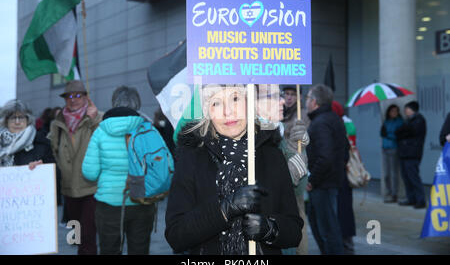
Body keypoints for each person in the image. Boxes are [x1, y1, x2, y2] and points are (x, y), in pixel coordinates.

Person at [165, 84, 303, 255]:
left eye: (235, 98)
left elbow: (295, 230)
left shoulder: (272, 155)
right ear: (207, 111)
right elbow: (176, 235)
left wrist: (270, 229)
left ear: (249, 102)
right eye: (216, 103)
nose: (228, 112)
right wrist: (224, 210)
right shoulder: (192, 158)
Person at [82, 107, 156, 254]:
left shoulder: (100, 132)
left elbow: (90, 173)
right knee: (140, 249)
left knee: (110, 249)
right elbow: (166, 166)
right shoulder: (147, 131)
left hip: (109, 203)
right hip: (142, 199)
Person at [49, 80, 103, 255]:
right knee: (76, 236)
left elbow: (105, 142)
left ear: (86, 97)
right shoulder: (57, 123)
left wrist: (94, 120)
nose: (73, 100)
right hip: (69, 190)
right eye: (69, 96)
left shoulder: (98, 117)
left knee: (87, 236)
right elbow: (53, 151)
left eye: (78, 95)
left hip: (91, 188)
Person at [305, 84, 349, 255]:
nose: (306, 101)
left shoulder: (320, 123)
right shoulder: (333, 118)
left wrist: (312, 180)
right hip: (330, 180)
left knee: (327, 229)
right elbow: (344, 151)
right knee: (318, 222)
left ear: (315, 101)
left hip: (323, 184)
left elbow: (325, 156)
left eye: (308, 98)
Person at [278, 85, 310, 255]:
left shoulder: (302, 115)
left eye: (293, 94)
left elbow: (303, 148)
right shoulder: (278, 111)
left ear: (299, 97)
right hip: (280, 170)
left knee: (298, 215)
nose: (289, 98)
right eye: (287, 94)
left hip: (295, 170)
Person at [331, 101, 356, 254]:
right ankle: (347, 243)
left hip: (338, 178)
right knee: (345, 211)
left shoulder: (337, 128)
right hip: (342, 178)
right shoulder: (342, 126)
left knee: (342, 212)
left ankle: (346, 245)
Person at [0, 99, 53, 168]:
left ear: (28, 120)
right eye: (13, 118)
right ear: (6, 121)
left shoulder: (41, 143)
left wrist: (42, 167)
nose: (17, 122)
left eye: (21, 117)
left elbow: (56, 173)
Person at [395, 101, 427, 209]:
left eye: (407, 109)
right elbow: (399, 132)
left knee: (413, 177)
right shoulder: (408, 121)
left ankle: (420, 200)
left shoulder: (419, 120)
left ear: (412, 109)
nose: (405, 112)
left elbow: (408, 132)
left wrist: (402, 131)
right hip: (404, 153)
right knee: (406, 178)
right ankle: (411, 198)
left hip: (412, 153)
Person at [380, 104, 404, 203]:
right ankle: (389, 192)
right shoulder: (386, 121)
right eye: (392, 111)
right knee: (386, 173)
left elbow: (398, 135)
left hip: (394, 148)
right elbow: (382, 133)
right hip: (385, 148)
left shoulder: (399, 122)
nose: (393, 113)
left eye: (395, 111)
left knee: (394, 173)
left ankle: (394, 194)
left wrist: (389, 135)